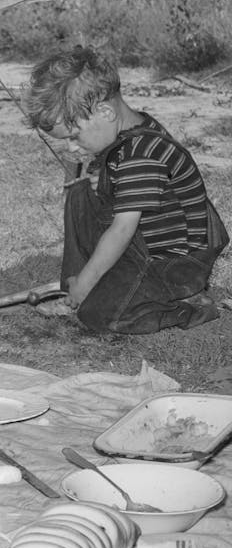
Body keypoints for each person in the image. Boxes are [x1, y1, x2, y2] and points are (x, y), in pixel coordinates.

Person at [22, 46, 228, 333]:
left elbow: (122, 230)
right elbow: (124, 184)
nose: (71, 147)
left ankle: (188, 304)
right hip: (147, 246)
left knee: (101, 316)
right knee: (82, 195)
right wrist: (101, 181)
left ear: (105, 111)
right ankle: (78, 289)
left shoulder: (142, 153)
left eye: (73, 136)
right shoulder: (129, 131)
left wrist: (87, 283)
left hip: (175, 261)